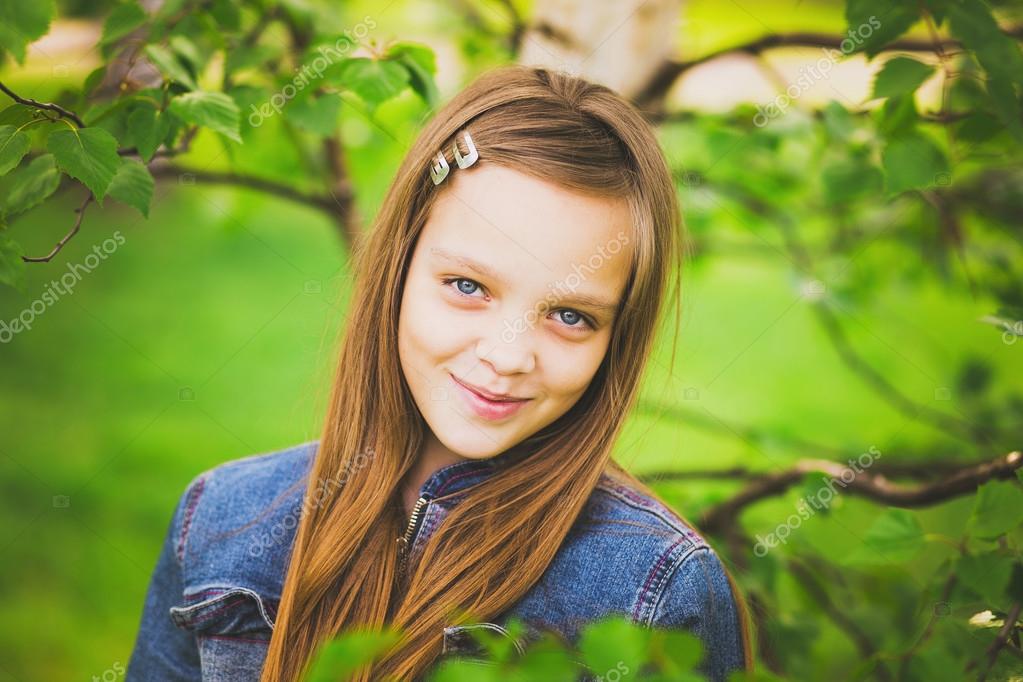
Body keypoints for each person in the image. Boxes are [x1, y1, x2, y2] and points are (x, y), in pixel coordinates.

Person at [126, 64, 752, 682]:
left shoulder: (654, 591)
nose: (508, 356)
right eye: (468, 286)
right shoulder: (221, 521)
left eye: (569, 314)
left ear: (617, 337)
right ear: (396, 269)